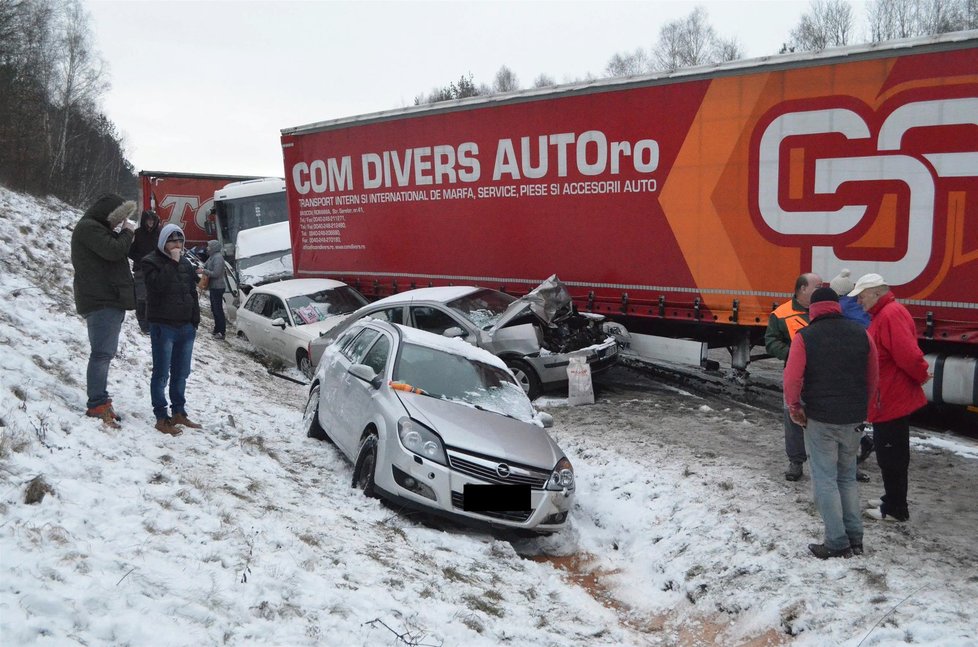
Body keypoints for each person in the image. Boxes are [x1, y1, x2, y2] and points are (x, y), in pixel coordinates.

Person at [784, 287, 879, 559]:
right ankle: (855, 539)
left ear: (812, 310)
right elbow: (873, 375)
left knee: (825, 480)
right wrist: (865, 408)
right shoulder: (862, 333)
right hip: (853, 419)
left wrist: (794, 407)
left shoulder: (805, 337)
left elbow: (792, 379)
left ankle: (836, 542)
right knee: (847, 477)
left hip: (821, 418)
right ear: (837, 307)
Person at [849, 273, 931, 522]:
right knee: (890, 453)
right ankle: (892, 498)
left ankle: (896, 509)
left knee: (891, 455)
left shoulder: (889, 315)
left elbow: (907, 354)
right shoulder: (885, 313)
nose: (859, 302)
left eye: (861, 297)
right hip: (888, 396)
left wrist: (922, 374)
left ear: (876, 293)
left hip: (891, 398)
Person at [71, 193, 138, 428]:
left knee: (104, 353)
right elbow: (113, 250)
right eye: (119, 218)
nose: (120, 223)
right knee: (101, 354)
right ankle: (97, 403)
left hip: (107, 300)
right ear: (110, 214)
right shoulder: (89, 228)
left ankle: (100, 400)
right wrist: (127, 233)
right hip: (101, 301)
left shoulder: (94, 228)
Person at [142, 224, 203, 436]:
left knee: (181, 373)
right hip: (163, 325)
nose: (177, 245)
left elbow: (191, 292)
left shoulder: (186, 263)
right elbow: (157, 287)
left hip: (185, 326)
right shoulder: (150, 262)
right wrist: (173, 261)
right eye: (172, 241)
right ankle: (161, 416)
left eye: (180, 241)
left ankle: (179, 412)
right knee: (161, 373)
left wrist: (194, 320)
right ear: (163, 242)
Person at [765, 272, 821, 481]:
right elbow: (771, 341)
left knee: (829, 419)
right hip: (796, 375)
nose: (821, 289)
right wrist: (792, 354)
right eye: (817, 286)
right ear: (802, 289)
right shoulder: (781, 314)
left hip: (824, 375)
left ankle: (843, 464)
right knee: (793, 417)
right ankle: (796, 461)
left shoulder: (824, 310)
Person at [128, 209, 161, 334]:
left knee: (154, 297)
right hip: (140, 269)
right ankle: (143, 324)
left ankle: (152, 323)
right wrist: (140, 260)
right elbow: (130, 251)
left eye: (153, 220)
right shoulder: (137, 233)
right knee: (141, 297)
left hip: (155, 270)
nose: (151, 222)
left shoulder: (159, 233)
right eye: (148, 220)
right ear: (144, 220)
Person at [199, 239, 227, 339]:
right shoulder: (212, 257)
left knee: (218, 309)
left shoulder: (218, 258)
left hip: (218, 287)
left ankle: (221, 331)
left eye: (209, 246)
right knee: (214, 309)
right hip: (213, 287)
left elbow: (216, 273)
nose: (207, 248)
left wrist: (204, 271)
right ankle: (217, 329)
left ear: (214, 247)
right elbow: (205, 265)